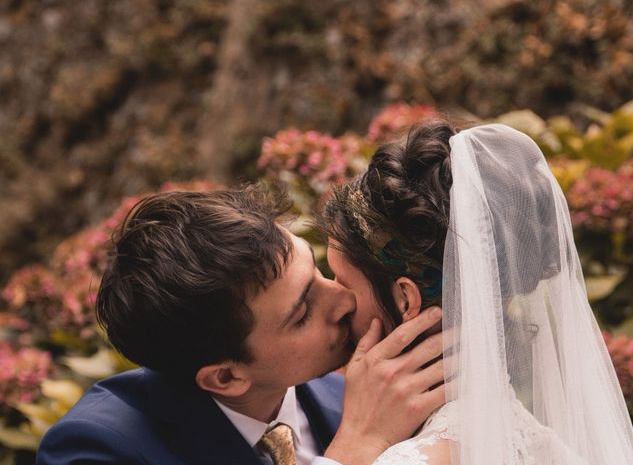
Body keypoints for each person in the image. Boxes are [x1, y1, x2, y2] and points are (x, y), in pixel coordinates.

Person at [36, 184, 446, 465]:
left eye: (317, 270)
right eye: (301, 314)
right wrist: (355, 451)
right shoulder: (98, 449)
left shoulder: (358, 395)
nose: (345, 300)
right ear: (226, 377)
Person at [322, 121, 633, 464]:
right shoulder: (548, 448)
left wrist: (353, 446)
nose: (334, 300)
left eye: (344, 282)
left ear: (405, 299)